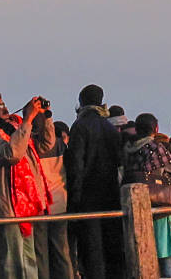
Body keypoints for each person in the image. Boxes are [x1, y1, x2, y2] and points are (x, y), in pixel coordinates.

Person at [0, 91, 54, 279]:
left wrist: (44, 117)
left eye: (4, 104)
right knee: (12, 262)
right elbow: (12, 154)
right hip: (8, 206)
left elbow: (46, 145)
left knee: (29, 260)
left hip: (26, 204)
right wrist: (28, 120)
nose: (4, 108)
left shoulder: (16, 129)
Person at [66, 84, 122, 279]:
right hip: (111, 193)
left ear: (81, 102)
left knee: (92, 250)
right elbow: (119, 161)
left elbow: (75, 166)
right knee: (111, 246)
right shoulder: (111, 128)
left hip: (87, 196)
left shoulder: (79, 126)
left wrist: (74, 197)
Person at [123, 113, 171, 277]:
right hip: (159, 205)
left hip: (136, 207)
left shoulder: (127, 150)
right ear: (155, 129)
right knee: (165, 252)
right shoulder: (155, 148)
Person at [33, 114, 74, 279]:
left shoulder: (30, 146)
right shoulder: (61, 146)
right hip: (59, 202)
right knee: (62, 251)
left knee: (41, 253)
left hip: (39, 205)